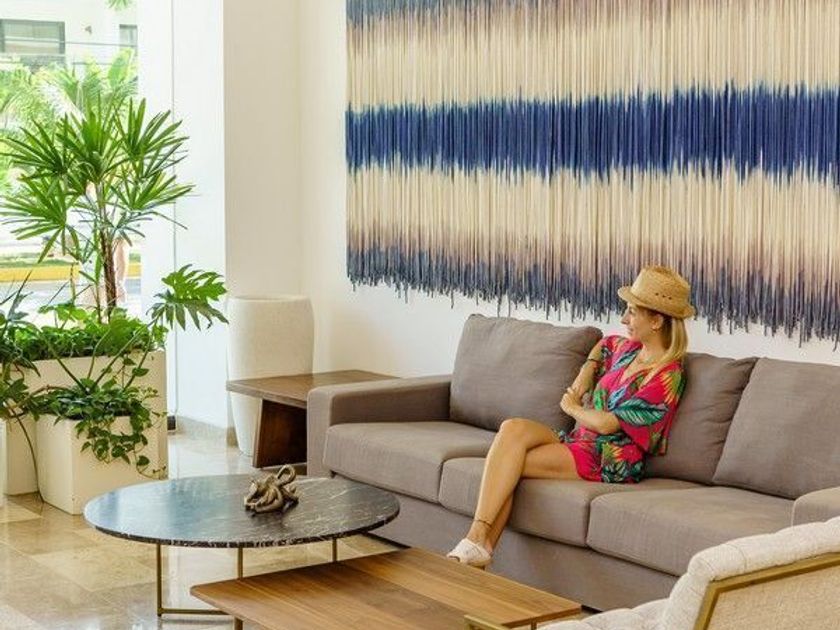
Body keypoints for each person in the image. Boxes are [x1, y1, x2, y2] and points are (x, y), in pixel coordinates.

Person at [447, 265, 694, 568]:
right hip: (579, 440)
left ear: (656, 320)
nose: (623, 319)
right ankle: (478, 547)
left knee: (510, 463)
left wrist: (573, 407)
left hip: (610, 457)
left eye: (632, 312)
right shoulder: (627, 349)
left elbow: (609, 424)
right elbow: (603, 346)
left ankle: (477, 542)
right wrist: (585, 373)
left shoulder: (668, 375)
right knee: (512, 429)